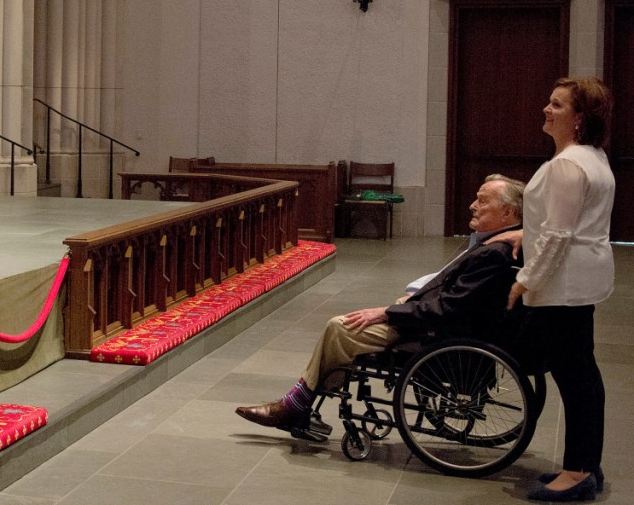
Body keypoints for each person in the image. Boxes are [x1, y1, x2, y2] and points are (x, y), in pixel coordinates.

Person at [236, 174, 527, 439]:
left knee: (340, 327)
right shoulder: (498, 243)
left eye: (483, 201)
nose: (472, 205)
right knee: (353, 324)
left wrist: (388, 312)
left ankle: (296, 404)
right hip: (442, 321)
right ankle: (302, 401)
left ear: (509, 213)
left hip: (436, 333)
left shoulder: (494, 253)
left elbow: (449, 309)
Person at [492, 77, 614, 502]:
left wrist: (525, 280)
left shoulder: (567, 164)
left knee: (574, 375)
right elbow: (570, 223)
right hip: (584, 279)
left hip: (564, 283)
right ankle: (585, 463)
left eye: (557, 105)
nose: (546, 109)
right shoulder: (593, 157)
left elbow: (560, 234)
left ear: (579, 119)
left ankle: (578, 471)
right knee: (583, 373)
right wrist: (525, 233)